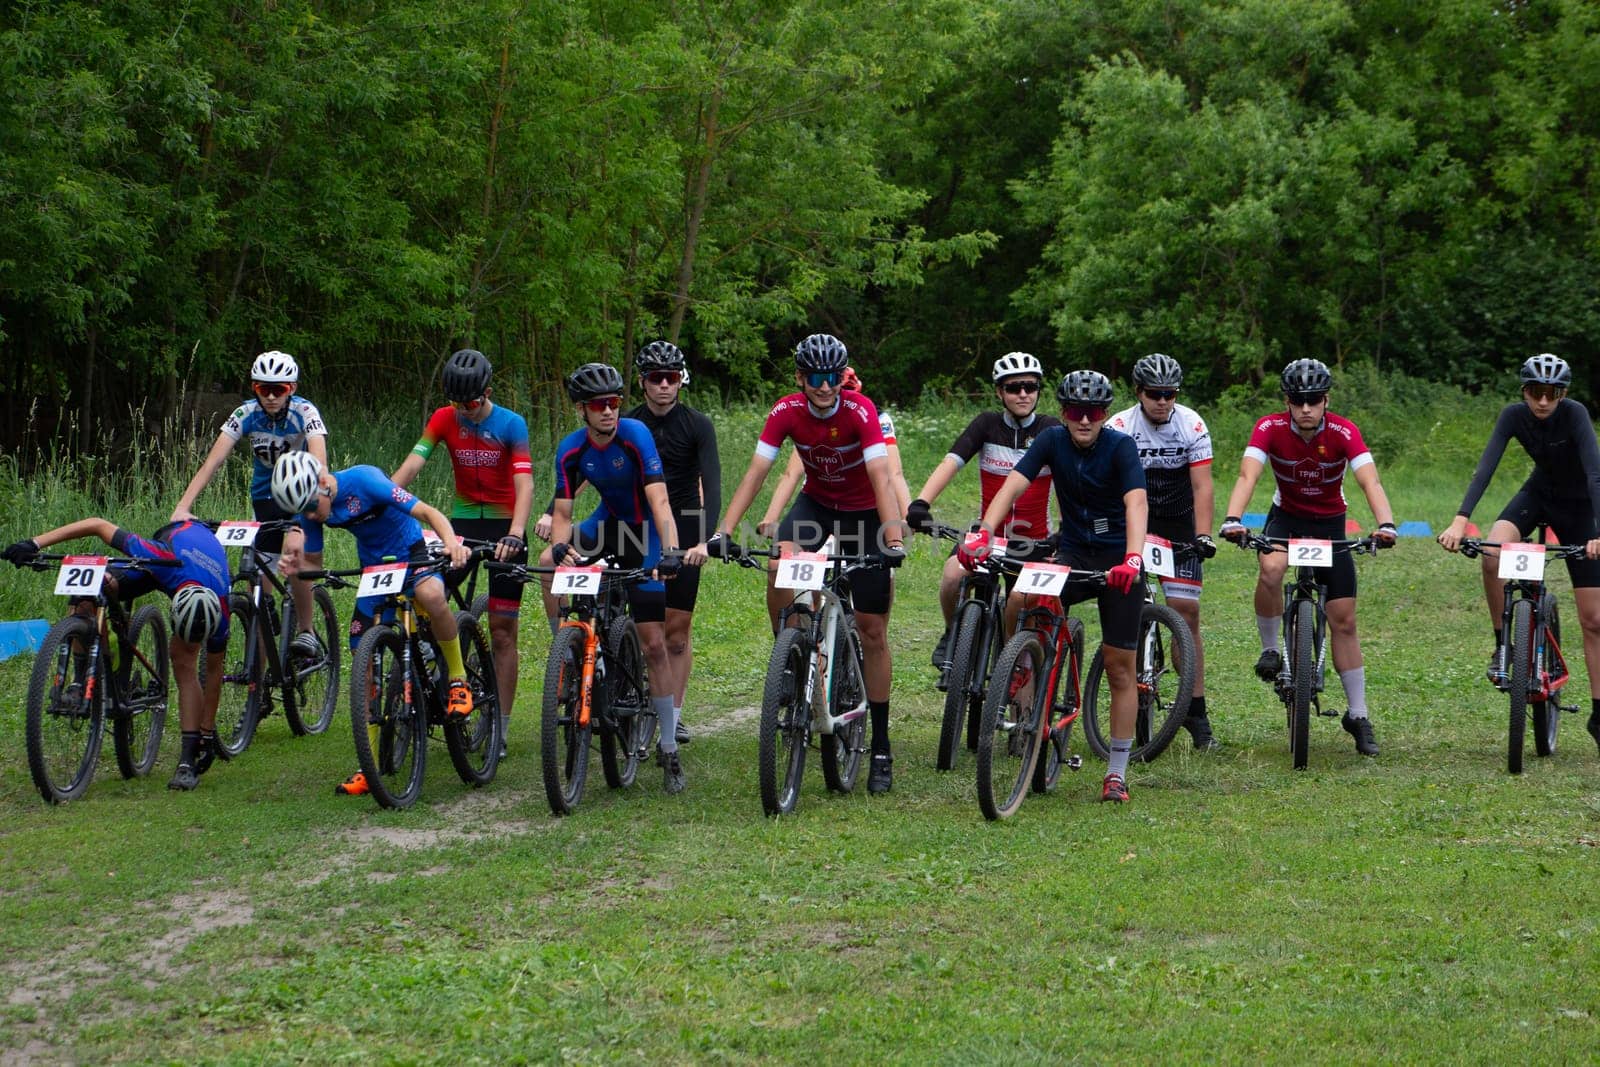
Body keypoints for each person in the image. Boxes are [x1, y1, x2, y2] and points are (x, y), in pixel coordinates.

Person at [693, 334, 907, 795]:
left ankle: (883, 744)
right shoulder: (786, 411)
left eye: (833, 377)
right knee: (777, 565)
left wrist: (891, 535)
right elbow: (756, 471)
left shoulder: (860, 411)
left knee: (872, 629)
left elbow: (880, 475)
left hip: (864, 514)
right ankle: (788, 655)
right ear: (800, 378)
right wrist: (722, 531)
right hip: (817, 506)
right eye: (816, 377)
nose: (825, 386)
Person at [957, 370, 1148, 803]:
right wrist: (984, 531)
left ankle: (1116, 772)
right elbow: (1014, 483)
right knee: (1024, 594)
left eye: (1094, 412)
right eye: (1076, 412)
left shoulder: (1121, 446)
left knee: (1120, 666)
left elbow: (1136, 501)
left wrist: (1133, 558)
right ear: (1062, 413)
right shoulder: (1052, 441)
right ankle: (1023, 661)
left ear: (1105, 414)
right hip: (1075, 551)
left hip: (1119, 559)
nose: (1084, 420)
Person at [1218, 358, 1398, 757]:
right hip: (1287, 519)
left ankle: (1359, 714)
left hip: (1330, 524)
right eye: (1298, 400)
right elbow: (1249, 474)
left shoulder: (1343, 431)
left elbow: (1370, 480)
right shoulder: (1269, 428)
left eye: (1313, 400)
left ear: (1325, 400)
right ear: (1287, 400)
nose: (1305, 408)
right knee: (1271, 567)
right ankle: (1270, 649)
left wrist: (1385, 523)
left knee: (1344, 620)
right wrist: (1232, 517)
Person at [269, 452, 475, 796]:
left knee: (433, 597)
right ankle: (371, 761)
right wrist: (296, 569)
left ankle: (458, 678)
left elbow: (427, 512)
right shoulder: (311, 509)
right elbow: (314, 562)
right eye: (301, 511)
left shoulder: (364, 481)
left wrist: (452, 543)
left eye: (309, 505)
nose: (308, 515)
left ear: (322, 482)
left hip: (412, 554)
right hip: (375, 571)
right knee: (363, 660)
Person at [1436, 353, 1600, 754]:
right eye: (1534, 393)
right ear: (1524, 392)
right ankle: (1504, 644)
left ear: (1562, 394)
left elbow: (1596, 472)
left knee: (1594, 619)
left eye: (1551, 394)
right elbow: (1486, 467)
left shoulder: (1575, 415)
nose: (1542, 402)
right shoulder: (1513, 416)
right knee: (1493, 552)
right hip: (1538, 496)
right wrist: (1460, 520)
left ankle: (1599, 710)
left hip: (1581, 508)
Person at [538, 362, 687, 794]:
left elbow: (660, 503)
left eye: (616, 403)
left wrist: (672, 553)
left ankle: (669, 746)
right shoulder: (570, 450)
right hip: (608, 524)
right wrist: (565, 550)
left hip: (646, 535)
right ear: (582, 410)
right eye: (601, 405)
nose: (610, 412)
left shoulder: (635, 435)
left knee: (654, 643)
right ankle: (567, 650)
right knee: (549, 561)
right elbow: (563, 514)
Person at [4, 519, 231, 791]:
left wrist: (206, 734)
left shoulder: (221, 610)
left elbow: (214, 673)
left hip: (206, 570)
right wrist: (34, 543)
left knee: (183, 661)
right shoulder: (156, 554)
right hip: (168, 559)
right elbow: (97, 524)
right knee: (87, 594)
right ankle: (81, 680)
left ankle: (186, 759)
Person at [390, 349, 531, 759]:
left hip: (506, 527)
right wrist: (384, 499)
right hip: (463, 524)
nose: (464, 411)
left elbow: (524, 484)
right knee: (429, 597)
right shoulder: (443, 418)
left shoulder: (511, 423)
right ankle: (448, 673)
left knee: (504, 632)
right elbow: (413, 466)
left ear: (487, 392)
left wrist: (517, 533)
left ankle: (499, 728)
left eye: (471, 403)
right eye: (457, 403)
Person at [904, 352, 1059, 679]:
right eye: (1014, 387)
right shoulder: (987, 425)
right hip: (989, 535)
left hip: (1034, 540)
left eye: (1030, 387)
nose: (1023, 394)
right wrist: (921, 503)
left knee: (1021, 608)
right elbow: (951, 462)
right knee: (951, 576)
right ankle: (954, 634)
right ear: (999, 392)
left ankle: (1009, 662)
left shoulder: (1051, 430)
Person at [1107, 353, 1219, 749]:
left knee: (1186, 615)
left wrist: (1202, 535)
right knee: (1126, 608)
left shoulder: (1191, 424)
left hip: (1177, 523)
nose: (1163, 401)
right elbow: (1107, 485)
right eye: (1154, 394)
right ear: (1138, 393)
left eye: (1170, 393)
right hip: (1133, 522)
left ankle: (1196, 711)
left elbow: (1202, 487)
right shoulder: (1119, 426)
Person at [623, 341, 720, 745]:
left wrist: (708, 537)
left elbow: (712, 485)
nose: (664, 385)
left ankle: (672, 716)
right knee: (643, 626)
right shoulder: (627, 423)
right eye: (655, 378)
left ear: (682, 380)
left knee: (677, 631)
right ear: (642, 383)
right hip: (637, 522)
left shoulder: (698, 425)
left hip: (685, 521)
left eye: (672, 377)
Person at [171, 350, 328, 558]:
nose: (271, 397)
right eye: (264, 389)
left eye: (279, 390)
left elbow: (319, 462)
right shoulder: (245, 413)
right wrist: (182, 507)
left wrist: (320, 494)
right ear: (255, 388)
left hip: (301, 493)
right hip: (265, 493)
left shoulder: (305, 411)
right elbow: (213, 462)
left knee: (297, 562)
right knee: (260, 572)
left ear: (292, 389)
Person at [756, 364, 911, 538]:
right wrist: (770, 518)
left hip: (861, 501)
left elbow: (893, 472)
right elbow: (791, 474)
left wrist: (907, 517)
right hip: (820, 501)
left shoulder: (876, 417)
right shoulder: (810, 419)